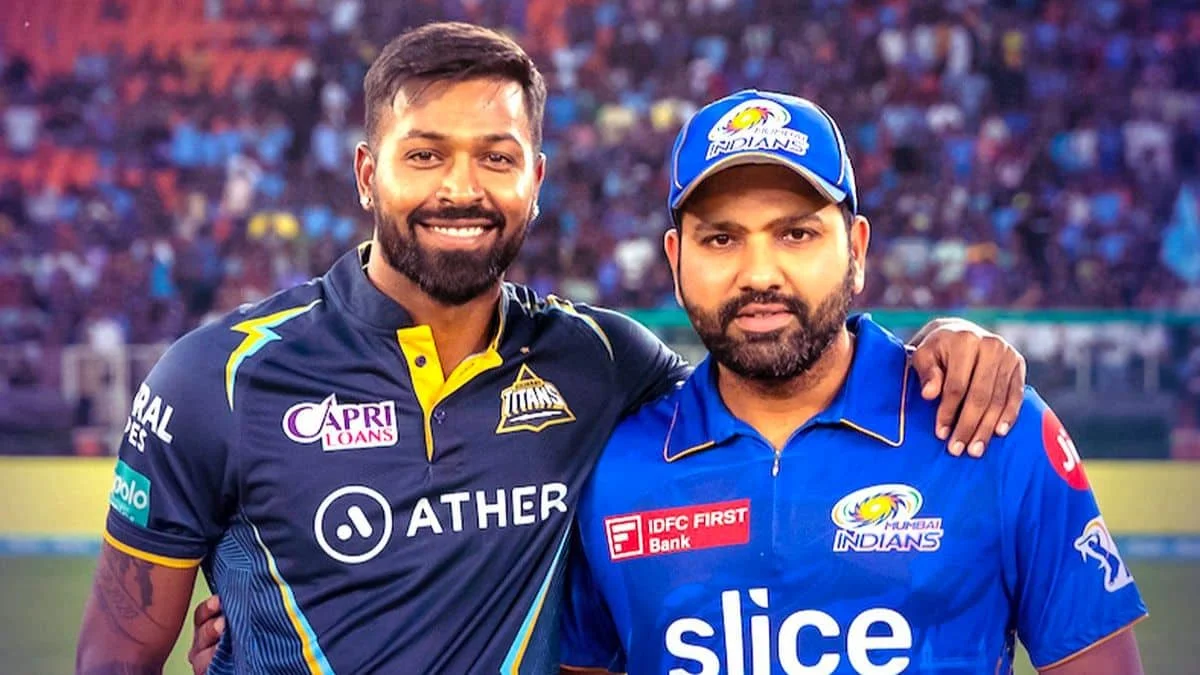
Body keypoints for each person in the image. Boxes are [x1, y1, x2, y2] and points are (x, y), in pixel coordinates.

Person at [77, 24, 1027, 675]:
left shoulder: (602, 364)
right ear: (367, 173)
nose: (461, 187)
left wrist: (939, 345)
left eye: (496, 156)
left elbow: (768, 371)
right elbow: (115, 655)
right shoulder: (217, 378)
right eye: (424, 153)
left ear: (536, 177)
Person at [559, 90, 1147, 675]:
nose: (759, 274)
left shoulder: (988, 426)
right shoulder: (611, 470)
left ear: (857, 251)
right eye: (721, 239)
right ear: (675, 261)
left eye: (796, 234)